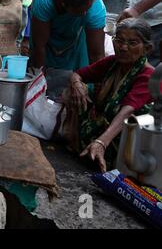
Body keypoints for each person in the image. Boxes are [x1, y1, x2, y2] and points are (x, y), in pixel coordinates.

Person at [62, 18, 154, 172]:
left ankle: (109, 156)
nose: (123, 47)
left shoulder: (148, 75)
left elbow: (128, 111)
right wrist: (77, 85)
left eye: (132, 43)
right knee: (74, 91)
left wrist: (102, 142)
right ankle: (81, 143)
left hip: (131, 136)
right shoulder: (112, 62)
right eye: (119, 40)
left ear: (146, 48)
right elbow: (77, 75)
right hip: (104, 125)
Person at [30, 0, 106, 99]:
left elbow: (96, 54)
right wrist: (39, 86)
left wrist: (99, 91)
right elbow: (40, 47)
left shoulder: (94, 7)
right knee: (42, 89)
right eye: (80, 12)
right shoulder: (44, 2)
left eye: (87, 10)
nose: (84, 14)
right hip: (45, 42)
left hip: (75, 39)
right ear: (63, 3)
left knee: (84, 83)